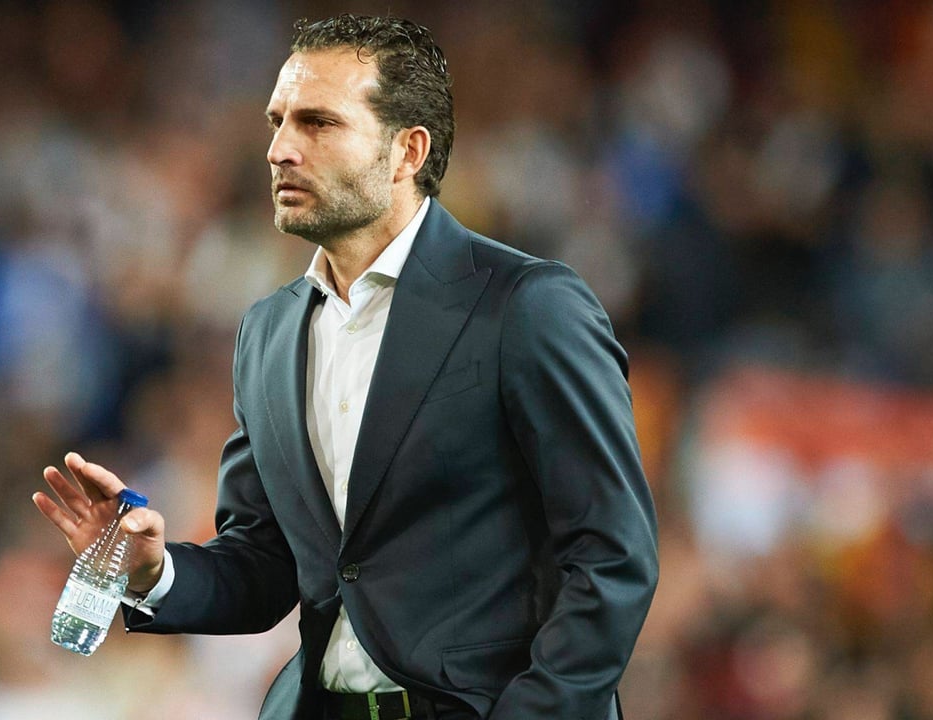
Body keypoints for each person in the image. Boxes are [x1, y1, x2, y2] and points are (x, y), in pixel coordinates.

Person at [33, 14, 658, 720]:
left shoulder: (526, 306)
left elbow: (612, 557)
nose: (279, 150)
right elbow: (266, 565)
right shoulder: (268, 332)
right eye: (278, 121)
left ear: (407, 151)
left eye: (319, 123)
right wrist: (155, 570)